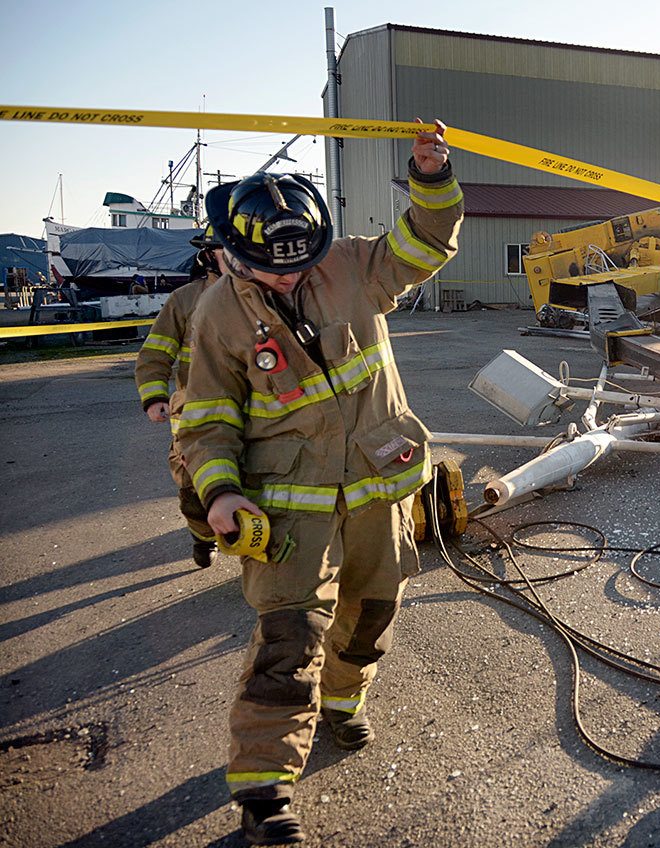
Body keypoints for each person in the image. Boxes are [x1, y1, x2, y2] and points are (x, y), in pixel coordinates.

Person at [176, 120, 462, 846]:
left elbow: (427, 242)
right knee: (287, 639)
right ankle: (264, 789)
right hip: (288, 510)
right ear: (236, 254)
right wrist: (220, 492)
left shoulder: (352, 266)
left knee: (370, 616)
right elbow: (206, 420)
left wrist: (430, 178)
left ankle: (345, 698)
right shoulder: (216, 315)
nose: (289, 278)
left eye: (300, 265)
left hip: (377, 489)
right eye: (271, 270)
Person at [134, 226, 227, 568]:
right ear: (209, 256)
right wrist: (154, 396)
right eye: (226, 250)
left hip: (254, 413)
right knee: (194, 493)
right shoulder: (186, 300)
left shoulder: (265, 295)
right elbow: (155, 354)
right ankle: (203, 536)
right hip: (195, 414)